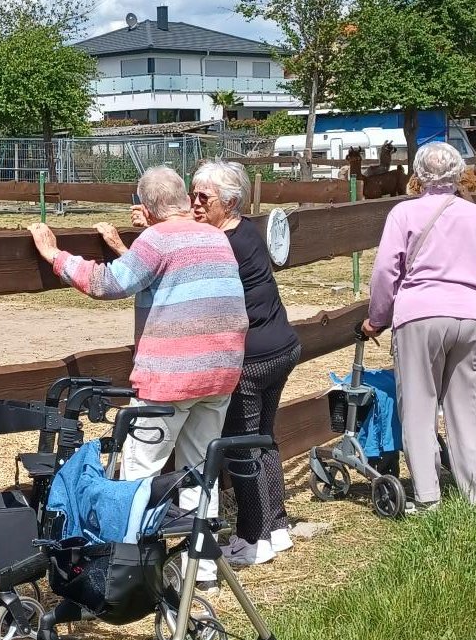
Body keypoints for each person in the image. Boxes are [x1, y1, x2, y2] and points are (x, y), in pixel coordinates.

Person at [27, 165, 247, 485]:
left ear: (145, 209)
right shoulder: (215, 236)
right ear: (184, 199)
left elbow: (107, 282)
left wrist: (54, 254)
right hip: (221, 370)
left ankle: (131, 536)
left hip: (172, 376)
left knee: (139, 469)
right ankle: (200, 534)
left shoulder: (157, 238)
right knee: (199, 467)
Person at [362, 140, 476, 508]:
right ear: (458, 173)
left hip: (420, 315)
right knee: (470, 408)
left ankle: (427, 497)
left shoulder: (403, 214)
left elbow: (385, 272)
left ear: (419, 175)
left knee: (419, 408)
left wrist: (377, 319)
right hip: (474, 315)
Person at [189, 160, 301, 565]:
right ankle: (276, 526)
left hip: (250, 359)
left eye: (204, 198)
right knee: (264, 438)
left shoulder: (222, 245)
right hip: (282, 346)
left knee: (240, 445)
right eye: (191, 195)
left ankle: (252, 538)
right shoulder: (246, 231)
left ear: (230, 202)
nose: (195, 205)